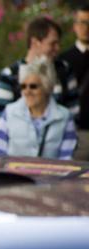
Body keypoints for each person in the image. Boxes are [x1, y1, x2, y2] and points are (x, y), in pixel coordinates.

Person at [0, 16, 78, 133]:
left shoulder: (64, 70)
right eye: (52, 43)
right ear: (34, 43)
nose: (58, 48)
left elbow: (74, 115)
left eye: (58, 43)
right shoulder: (9, 75)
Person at [0, 56, 77, 159]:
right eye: (23, 86)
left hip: (50, 174)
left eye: (33, 86)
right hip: (14, 174)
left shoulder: (64, 117)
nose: (27, 91)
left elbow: (66, 159)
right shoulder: (9, 112)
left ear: (47, 87)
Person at [59, 4, 89, 160]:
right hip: (76, 133)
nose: (85, 28)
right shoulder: (64, 60)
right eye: (82, 22)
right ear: (75, 26)